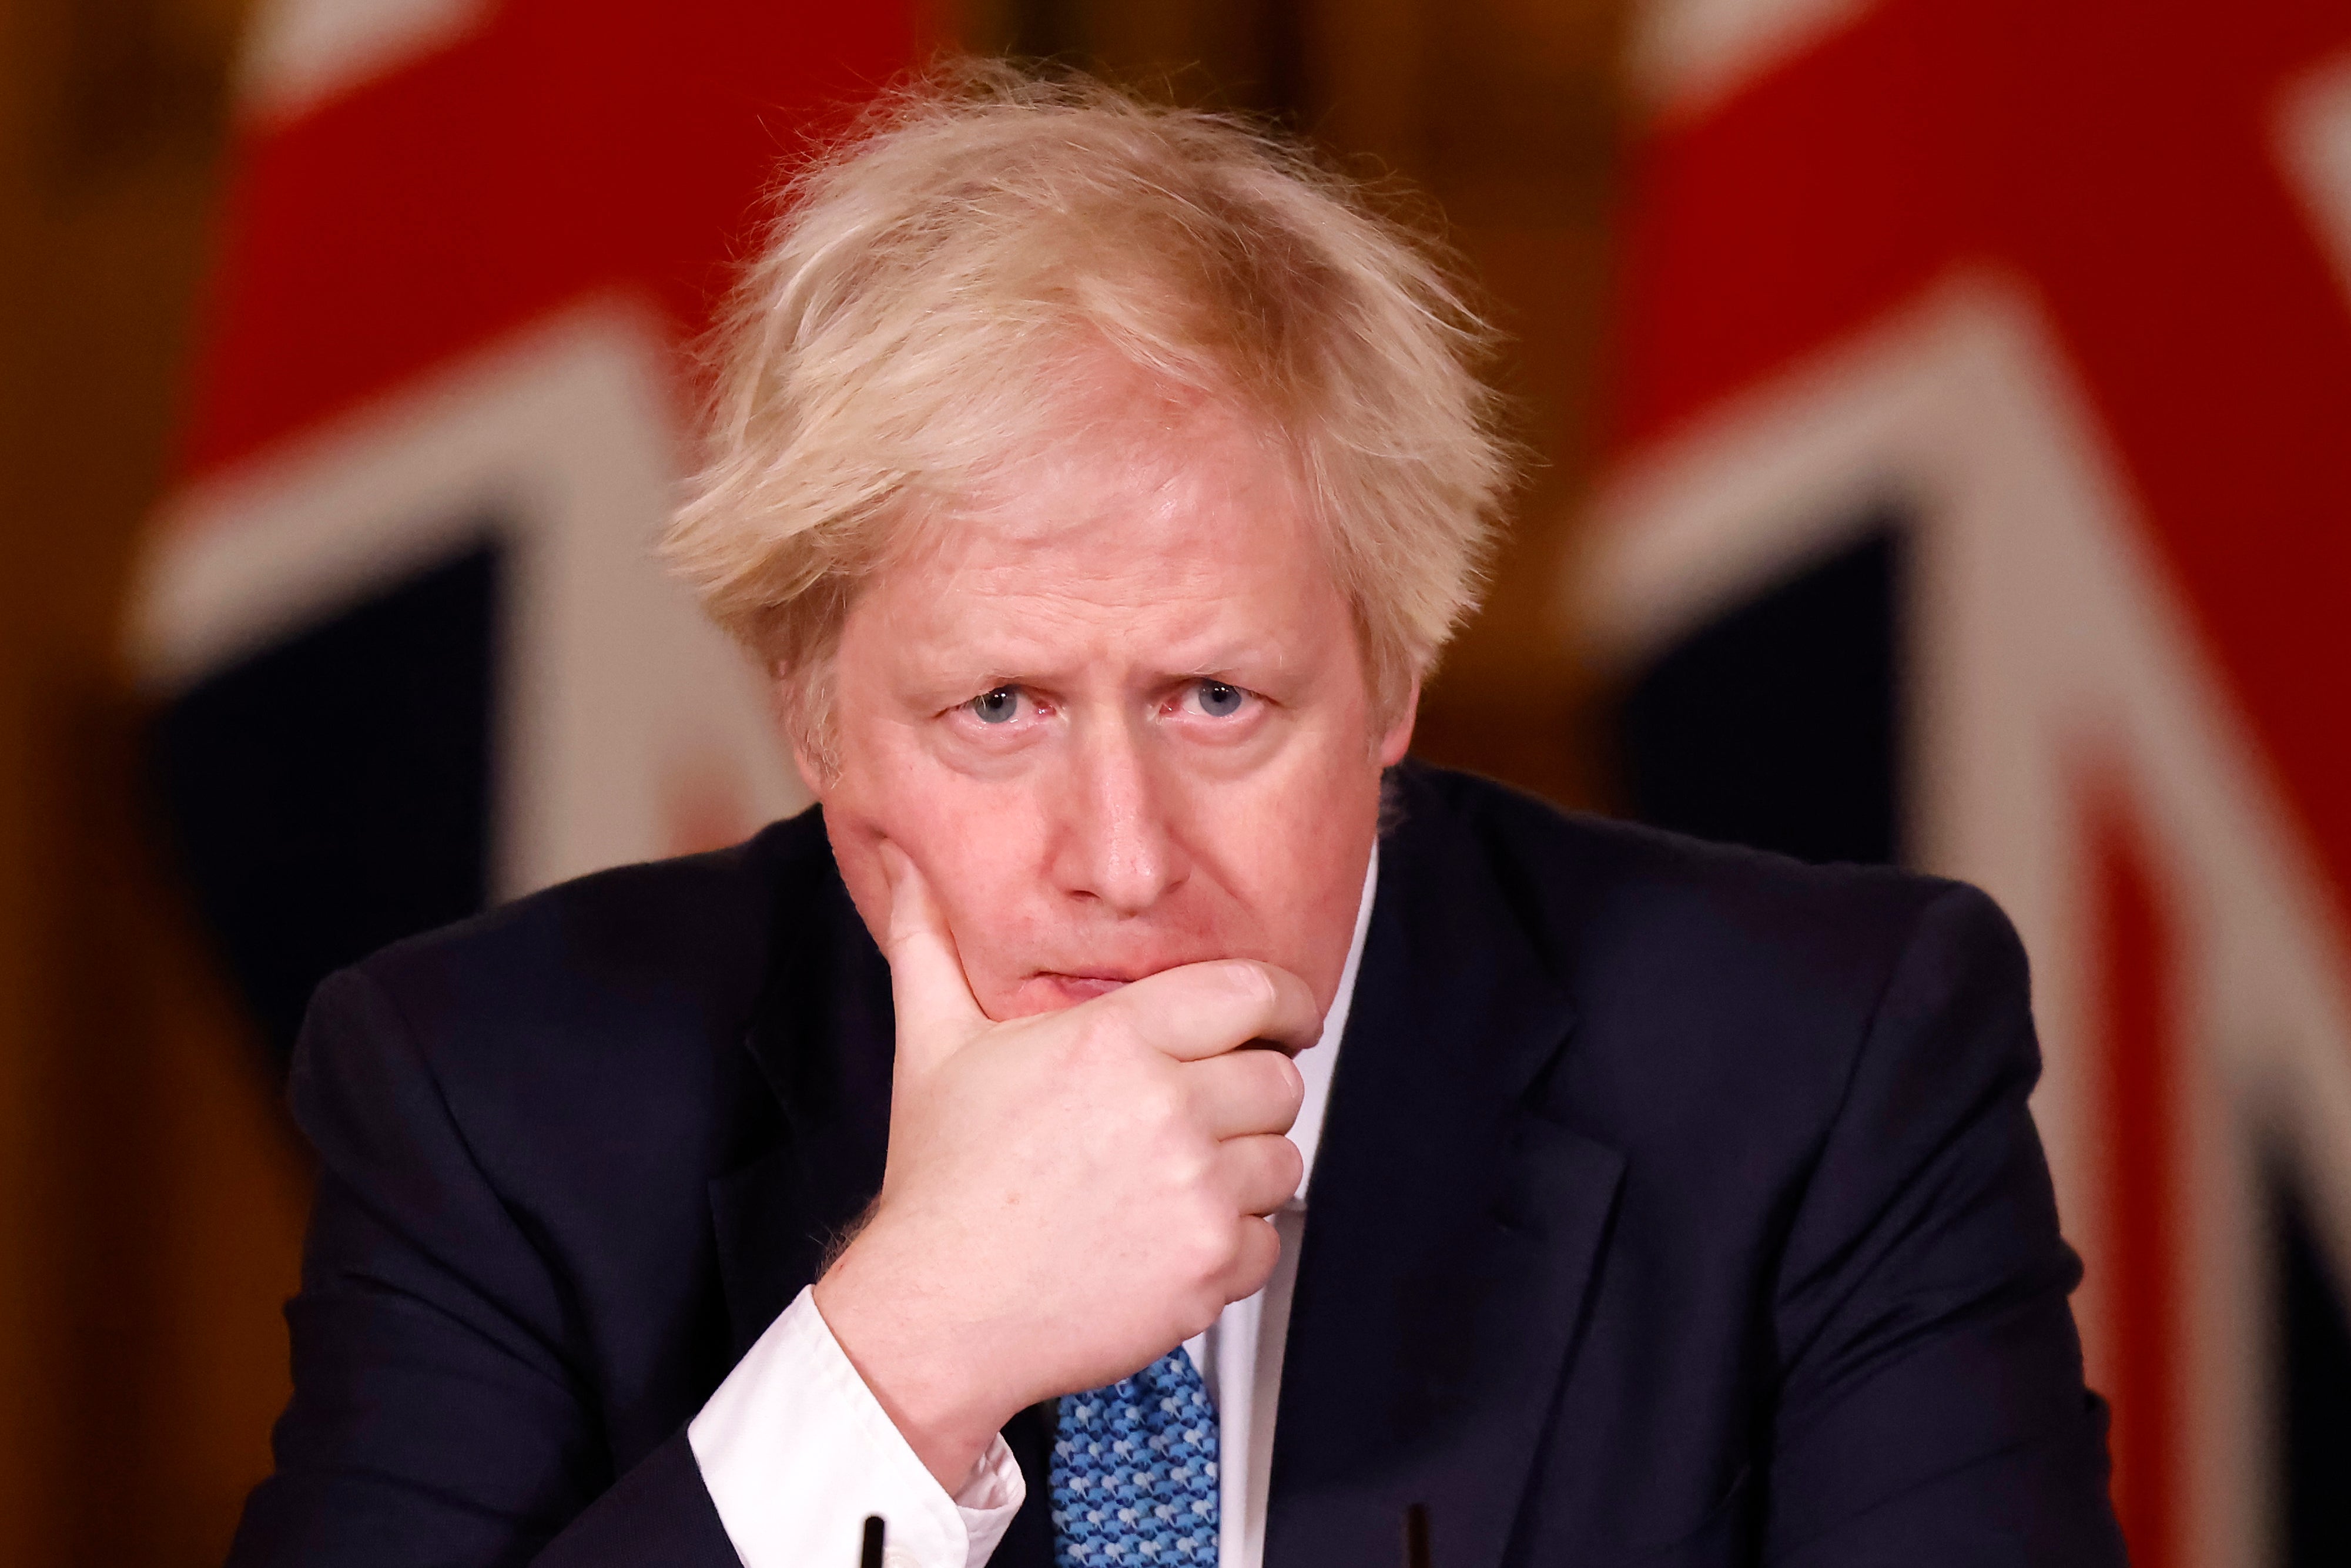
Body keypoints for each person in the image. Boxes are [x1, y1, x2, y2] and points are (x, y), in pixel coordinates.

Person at [226, 65, 2126, 1568]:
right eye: (999, 708)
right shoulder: (497, 1097)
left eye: (1217, 699)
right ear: (812, 712)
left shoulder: (1830, 1069)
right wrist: (901, 1359)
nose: (1120, 857)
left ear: (1391, 678)